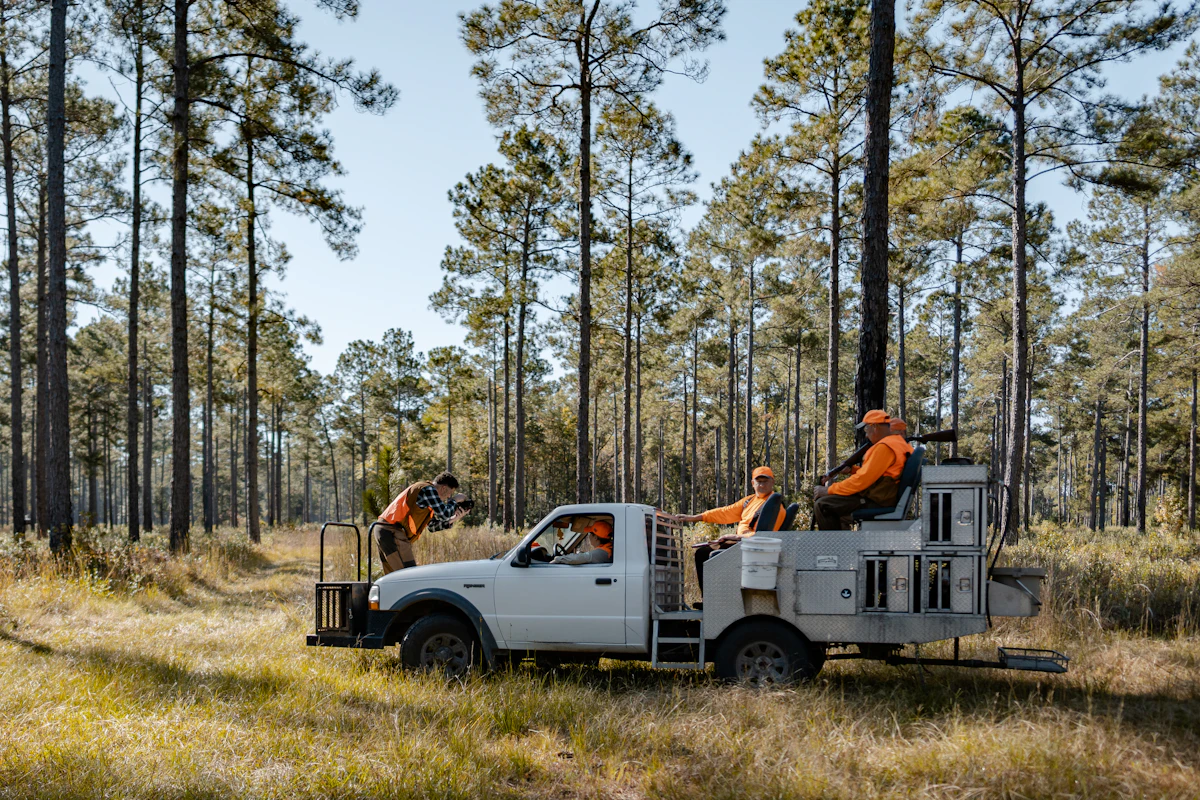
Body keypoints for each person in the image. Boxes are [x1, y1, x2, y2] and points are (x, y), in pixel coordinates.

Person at [677, 466, 787, 597]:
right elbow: (725, 513)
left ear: (772, 482)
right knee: (702, 553)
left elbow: (766, 537)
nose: (762, 485)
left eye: (765, 481)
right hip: (741, 543)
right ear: (753, 483)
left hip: (751, 548)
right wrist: (696, 517)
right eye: (759, 481)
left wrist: (736, 537)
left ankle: (716, 599)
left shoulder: (774, 507)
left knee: (709, 555)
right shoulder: (750, 501)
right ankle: (708, 599)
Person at [813, 410, 913, 530]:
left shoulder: (884, 447)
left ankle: (834, 548)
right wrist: (853, 470)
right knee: (835, 509)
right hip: (884, 497)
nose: (866, 435)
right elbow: (879, 473)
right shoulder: (898, 443)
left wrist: (829, 490)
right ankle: (843, 546)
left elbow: (862, 480)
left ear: (874, 427)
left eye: (866, 429)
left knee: (823, 505)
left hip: (876, 500)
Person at [373, 472, 469, 574]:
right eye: (450, 493)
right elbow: (444, 513)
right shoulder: (428, 489)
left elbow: (431, 527)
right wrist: (455, 500)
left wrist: (454, 518)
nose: (449, 496)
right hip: (391, 531)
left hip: (386, 531)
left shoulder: (427, 499)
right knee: (408, 573)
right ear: (444, 488)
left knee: (393, 575)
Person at [819, 418, 907, 485]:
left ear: (901, 433)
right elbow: (873, 473)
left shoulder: (891, 449)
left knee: (825, 502)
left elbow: (870, 477)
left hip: (880, 495)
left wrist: (832, 490)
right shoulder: (901, 449)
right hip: (881, 493)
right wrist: (852, 470)